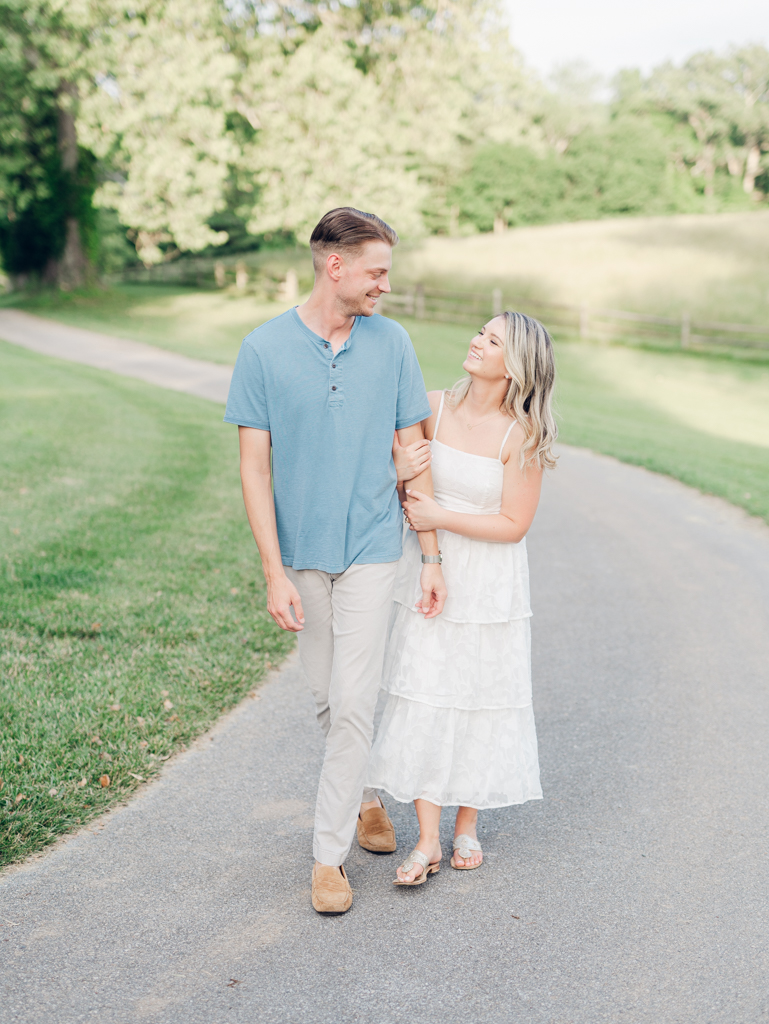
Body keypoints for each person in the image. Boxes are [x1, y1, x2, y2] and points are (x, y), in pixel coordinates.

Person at [223, 208, 447, 914]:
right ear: (335, 267)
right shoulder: (262, 350)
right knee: (327, 697)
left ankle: (327, 861)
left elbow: (414, 451)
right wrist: (271, 570)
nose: (385, 285)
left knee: (353, 703)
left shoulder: (393, 344)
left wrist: (431, 553)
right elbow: (254, 470)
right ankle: (367, 796)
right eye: (376, 272)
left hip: (374, 547)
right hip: (301, 557)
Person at [366, 311, 557, 885]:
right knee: (427, 691)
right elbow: (396, 471)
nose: (477, 342)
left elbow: (513, 523)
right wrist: (401, 476)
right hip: (432, 567)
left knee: (479, 693)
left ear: (516, 364)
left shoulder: (519, 433)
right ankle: (426, 838)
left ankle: (466, 824)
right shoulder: (432, 407)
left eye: (493, 340)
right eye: (481, 331)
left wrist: (440, 515)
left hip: (492, 578)